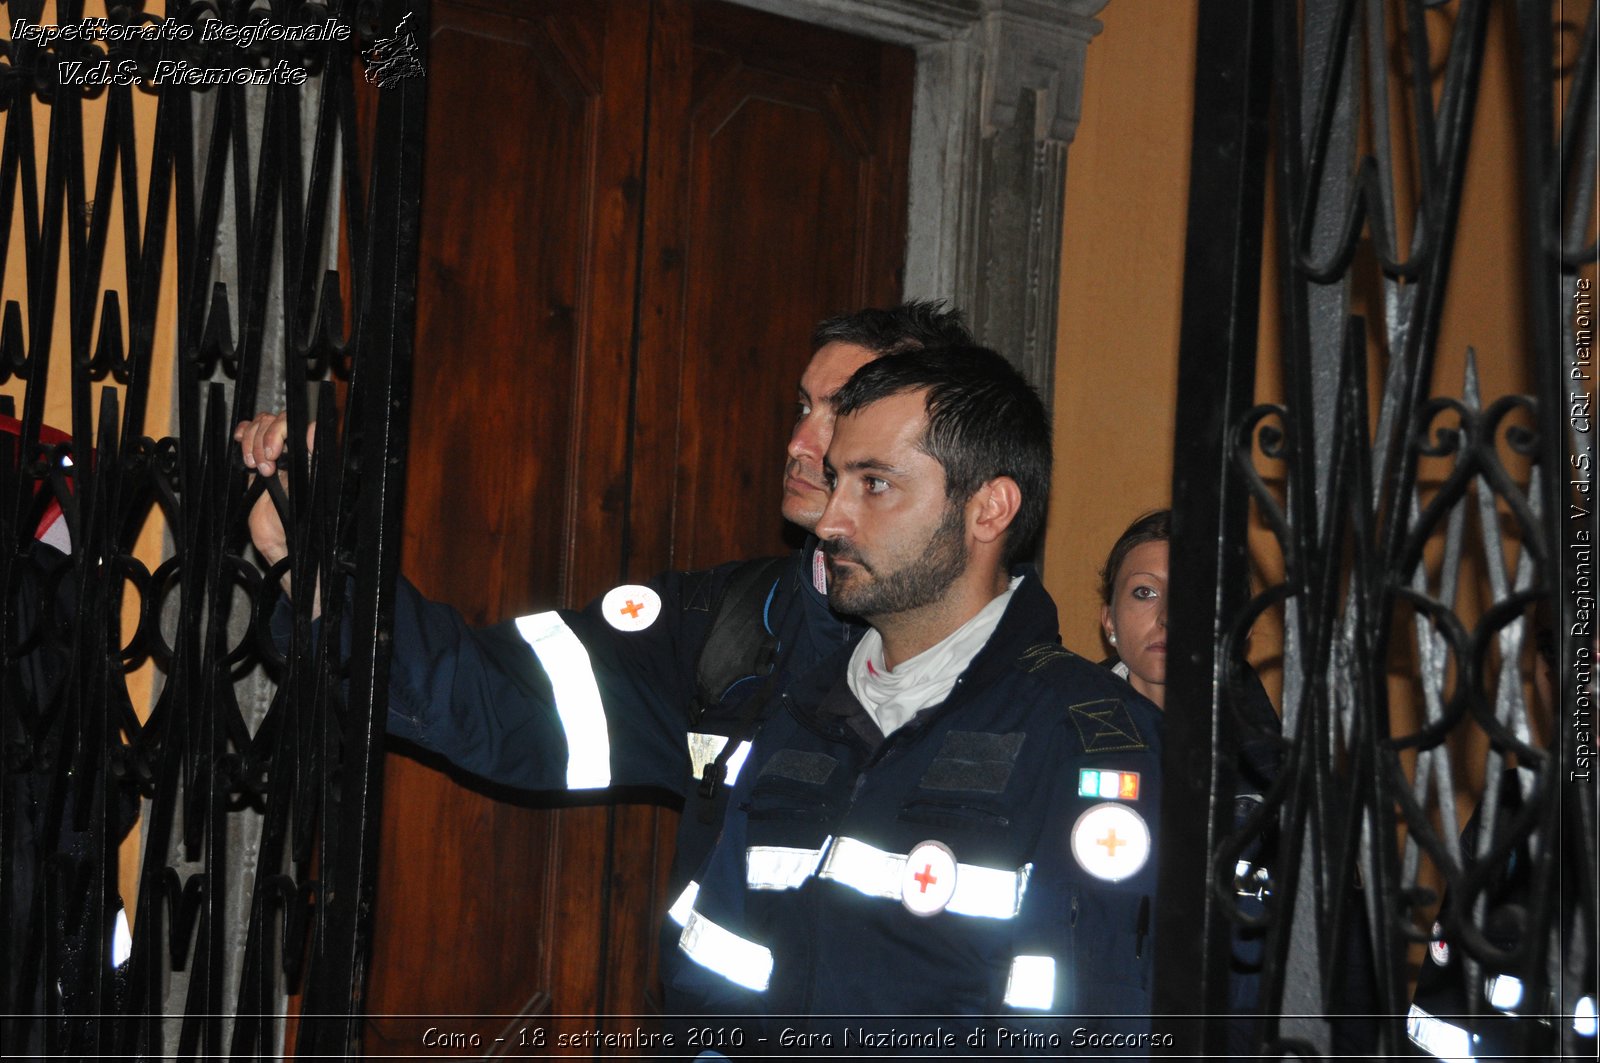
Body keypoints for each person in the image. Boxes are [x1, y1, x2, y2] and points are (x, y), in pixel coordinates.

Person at [232, 302, 974, 1006]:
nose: (799, 442)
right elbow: (494, 701)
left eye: (837, 412)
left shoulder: (1026, 697)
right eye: (800, 407)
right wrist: (314, 568)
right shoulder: (725, 626)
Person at [665, 346, 1164, 1046]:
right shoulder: (798, 717)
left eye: (874, 485)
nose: (830, 520)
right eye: (837, 480)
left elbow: (1110, 1028)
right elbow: (711, 988)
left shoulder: (1092, 740)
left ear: (988, 508)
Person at [1098, 509, 1281, 1054]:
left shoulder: (1281, 780)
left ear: (1242, 628)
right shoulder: (1050, 741)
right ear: (1108, 619)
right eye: (1144, 593)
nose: (1169, 618)